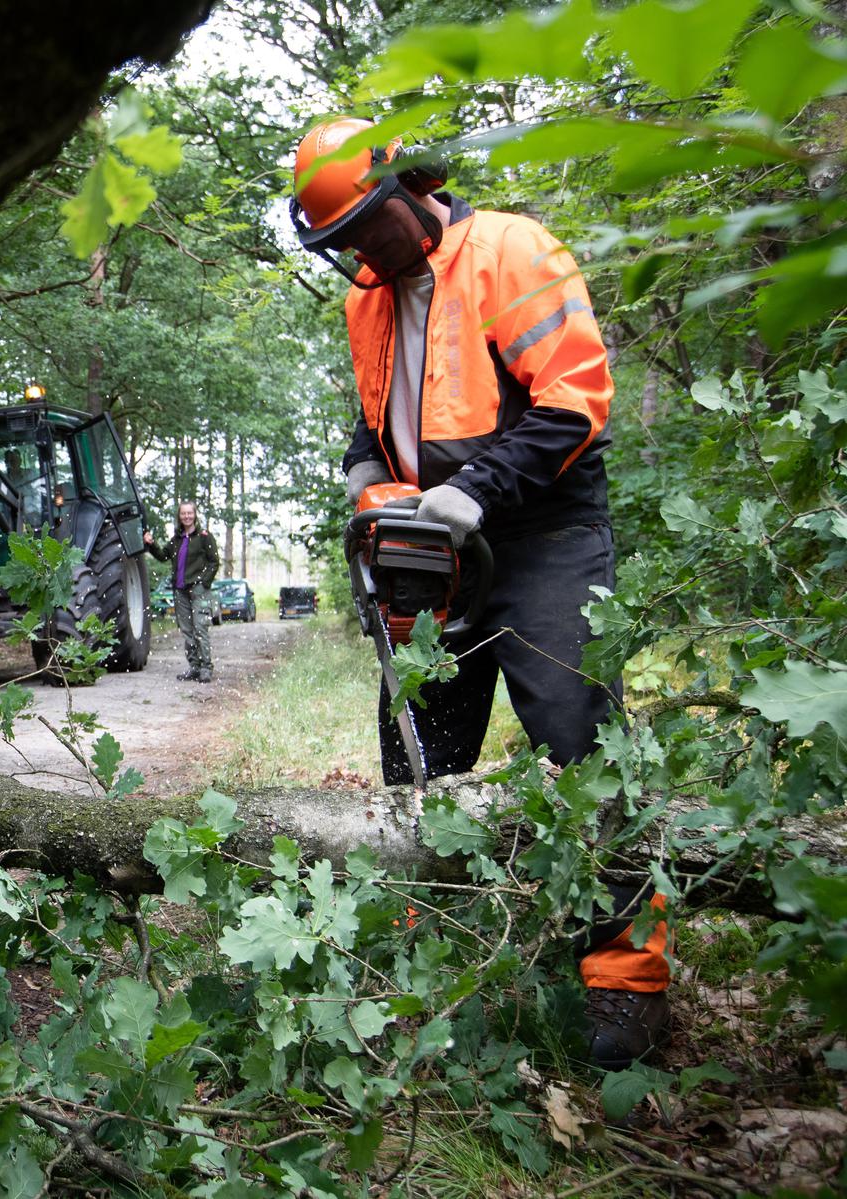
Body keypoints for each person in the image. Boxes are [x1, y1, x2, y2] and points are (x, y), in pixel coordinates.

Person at [290, 117, 667, 1070]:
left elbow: (575, 401)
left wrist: (476, 489)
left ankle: (626, 983)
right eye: (344, 244)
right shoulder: (367, 305)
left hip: (542, 532)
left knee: (579, 740)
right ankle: (429, 944)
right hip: (430, 545)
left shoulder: (509, 249)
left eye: (369, 230)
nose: (361, 255)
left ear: (409, 187)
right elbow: (373, 418)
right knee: (420, 750)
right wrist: (367, 477)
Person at [144, 501, 219, 683]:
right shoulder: (176, 539)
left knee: (200, 628)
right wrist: (151, 544)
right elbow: (163, 556)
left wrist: (203, 582)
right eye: (183, 514)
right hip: (180, 591)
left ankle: (206, 668)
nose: (186, 516)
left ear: (195, 515)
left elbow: (214, 562)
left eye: (189, 513)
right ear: (179, 516)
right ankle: (194, 667)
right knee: (187, 631)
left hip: (198, 590)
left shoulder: (204, 537)